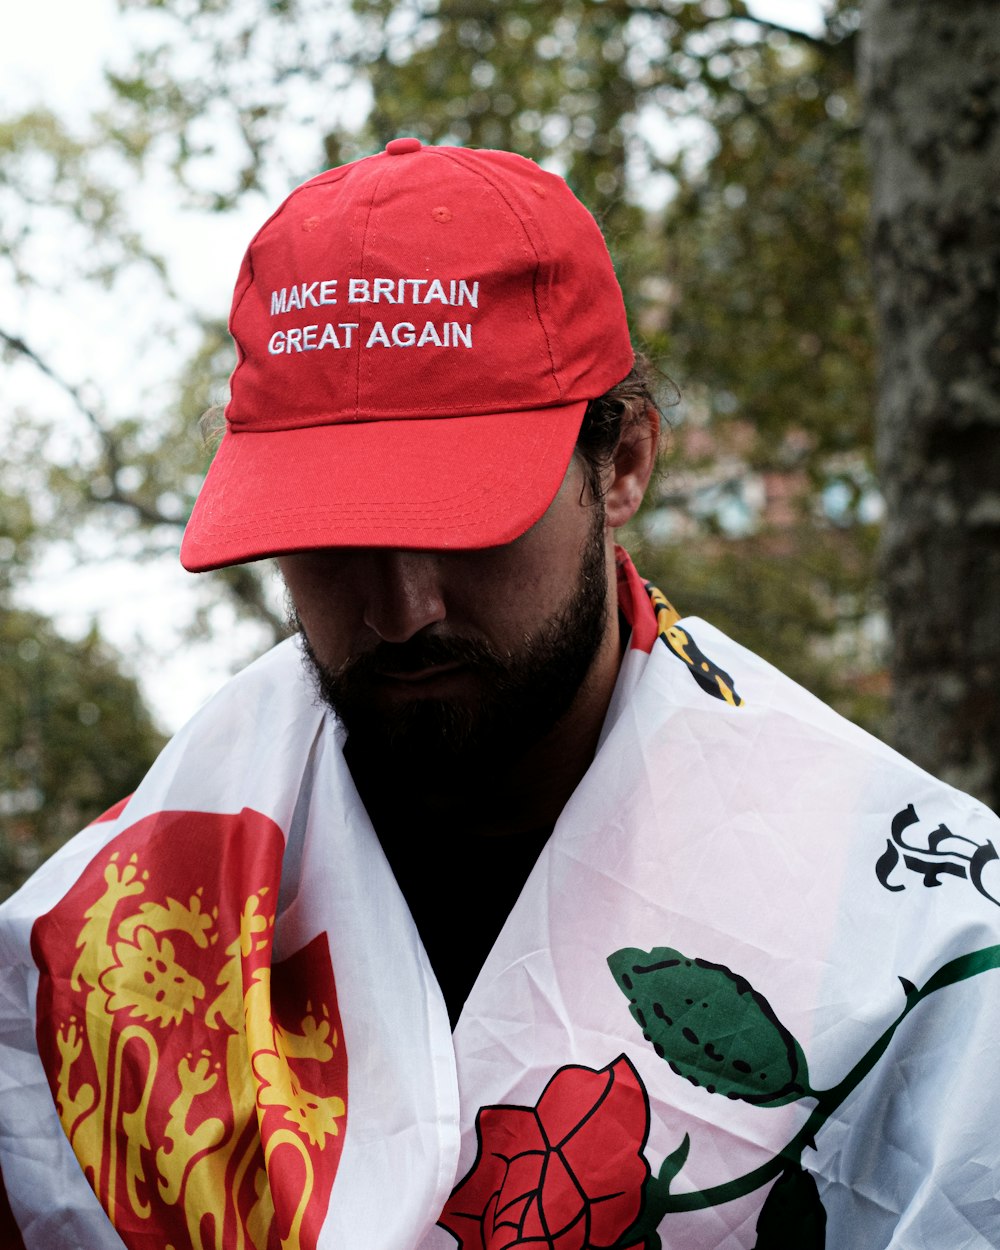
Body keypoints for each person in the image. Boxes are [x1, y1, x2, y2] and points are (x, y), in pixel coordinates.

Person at [1, 139, 998, 1250]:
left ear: (620, 464)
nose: (400, 606)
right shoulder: (91, 930)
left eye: (462, 517)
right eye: (328, 538)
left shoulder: (914, 924)